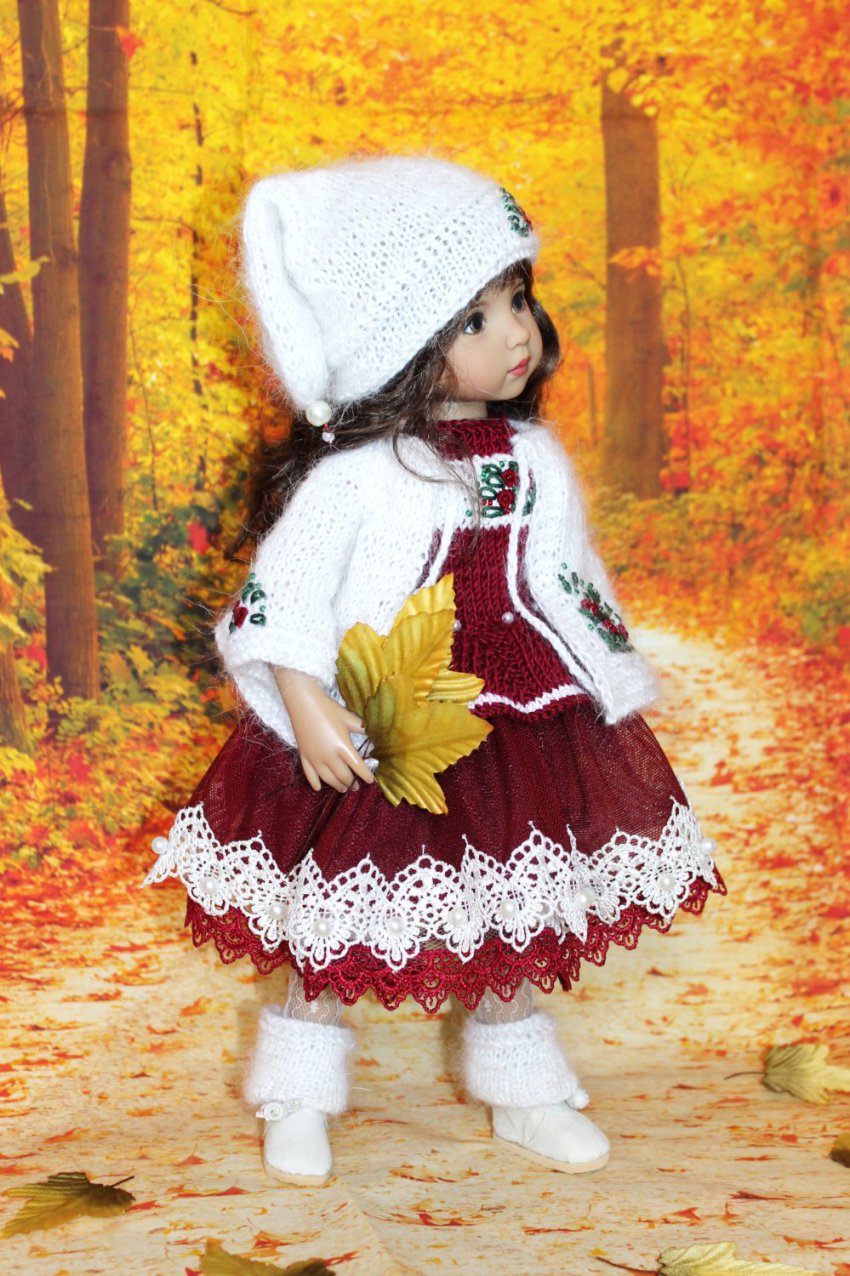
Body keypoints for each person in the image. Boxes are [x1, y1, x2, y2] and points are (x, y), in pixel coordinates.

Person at [144, 154, 726, 1187]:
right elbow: (280, 600)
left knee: (508, 904)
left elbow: (566, 577)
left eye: (518, 301)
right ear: (403, 343)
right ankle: (297, 1088)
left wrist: (608, 679)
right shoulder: (358, 476)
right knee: (338, 902)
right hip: (386, 718)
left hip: (518, 720)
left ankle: (522, 1089)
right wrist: (304, 701)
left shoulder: (535, 459)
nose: (516, 334)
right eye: (475, 319)